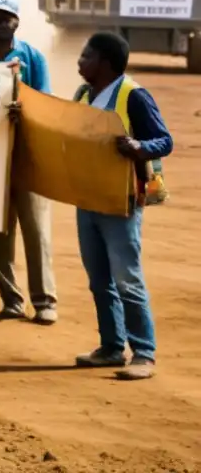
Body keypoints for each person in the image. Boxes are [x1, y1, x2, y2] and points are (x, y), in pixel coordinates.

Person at [69, 33, 171, 380]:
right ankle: (112, 348)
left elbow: (165, 141)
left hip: (122, 201)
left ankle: (144, 353)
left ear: (105, 63)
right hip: (88, 198)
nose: (80, 62)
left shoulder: (133, 94)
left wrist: (139, 146)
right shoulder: (83, 94)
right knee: (99, 279)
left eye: (86, 56)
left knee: (127, 279)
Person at [0, 0, 57, 324]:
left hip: (28, 155)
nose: (1, 22)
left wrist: (26, 106)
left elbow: (45, 101)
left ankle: (45, 301)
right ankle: (11, 300)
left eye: (7, 18)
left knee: (36, 231)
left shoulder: (32, 56)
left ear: (17, 22)